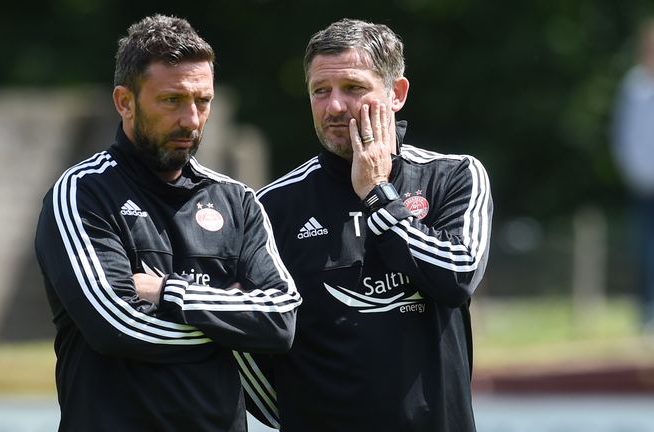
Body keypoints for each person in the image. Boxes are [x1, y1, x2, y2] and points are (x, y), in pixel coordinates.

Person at [34, 15, 301, 432]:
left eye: (203, 101)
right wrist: (231, 321)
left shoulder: (238, 201)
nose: (192, 120)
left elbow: (281, 320)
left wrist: (170, 292)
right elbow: (117, 328)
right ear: (125, 101)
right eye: (172, 100)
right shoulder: (82, 193)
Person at [237, 18, 492, 431]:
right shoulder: (272, 206)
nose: (334, 106)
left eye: (353, 88)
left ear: (397, 94)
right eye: (321, 91)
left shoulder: (454, 175)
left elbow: (456, 275)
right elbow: (246, 344)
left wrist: (376, 192)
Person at [611, 18, 654, 332]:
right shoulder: (633, 85)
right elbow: (623, 135)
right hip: (641, 185)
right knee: (643, 252)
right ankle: (647, 311)